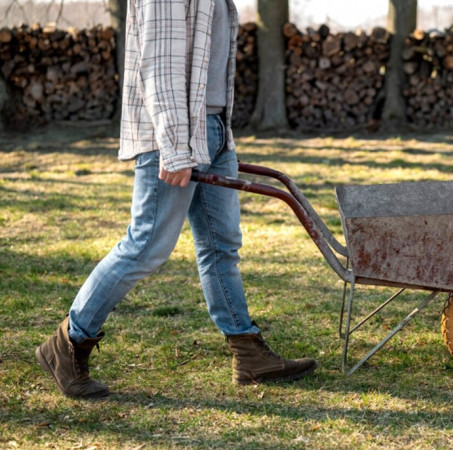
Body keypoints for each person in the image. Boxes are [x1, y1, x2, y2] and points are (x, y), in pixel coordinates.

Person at [35, 0, 317, 399]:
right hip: (178, 133)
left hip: (214, 127)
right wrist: (174, 148)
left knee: (221, 246)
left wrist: (217, 134)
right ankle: (67, 344)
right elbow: (160, 65)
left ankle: (248, 351)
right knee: (145, 246)